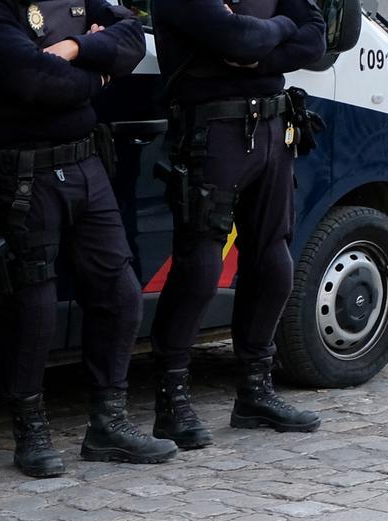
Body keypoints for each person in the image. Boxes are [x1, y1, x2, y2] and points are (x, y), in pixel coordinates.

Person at [0, 0, 179, 477]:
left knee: (118, 293)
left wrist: (77, 46)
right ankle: (30, 434)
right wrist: (100, 76)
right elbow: (36, 80)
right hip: (21, 174)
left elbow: (132, 34)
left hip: (84, 162)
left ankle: (108, 425)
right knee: (32, 306)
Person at [148, 0, 326, 447]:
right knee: (200, 269)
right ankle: (171, 403)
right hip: (212, 132)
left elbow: (315, 35)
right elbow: (238, 38)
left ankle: (255, 393)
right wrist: (273, 31)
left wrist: (257, 49)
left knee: (274, 263)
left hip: (272, 125)